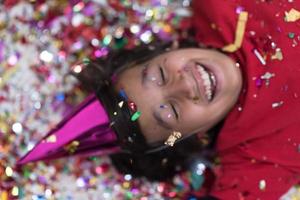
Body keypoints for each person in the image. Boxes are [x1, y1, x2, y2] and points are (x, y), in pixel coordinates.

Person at [18, 0, 300, 199]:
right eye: (171, 111)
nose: (182, 85)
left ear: (166, 50)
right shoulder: (254, 157)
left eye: (160, 74)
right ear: (193, 135)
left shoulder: (220, 6)